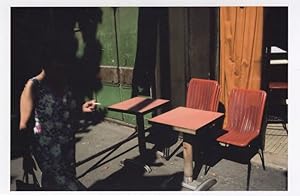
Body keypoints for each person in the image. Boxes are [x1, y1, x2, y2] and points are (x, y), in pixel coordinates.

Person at [19, 50, 98, 190]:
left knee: (58, 181)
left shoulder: (62, 83)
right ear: (46, 64)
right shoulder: (33, 86)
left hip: (66, 142)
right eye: (57, 64)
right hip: (47, 147)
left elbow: (65, 110)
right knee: (65, 181)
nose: (61, 67)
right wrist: (26, 155)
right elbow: (24, 124)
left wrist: (82, 108)